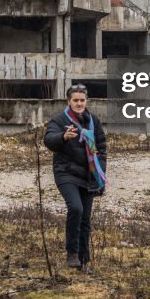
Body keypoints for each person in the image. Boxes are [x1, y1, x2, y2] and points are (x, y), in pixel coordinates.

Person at [43, 83, 107, 271]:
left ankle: (84, 259)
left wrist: (100, 172)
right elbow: (49, 140)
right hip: (66, 172)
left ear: (87, 101)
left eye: (82, 100)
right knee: (76, 208)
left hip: (89, 174)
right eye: (75, 100)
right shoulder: (59, 120)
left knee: (85, 219)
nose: (79, 103)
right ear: (68, 101)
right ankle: (72, 252)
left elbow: (101, 148)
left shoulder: (93, 121)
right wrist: (63, 137)